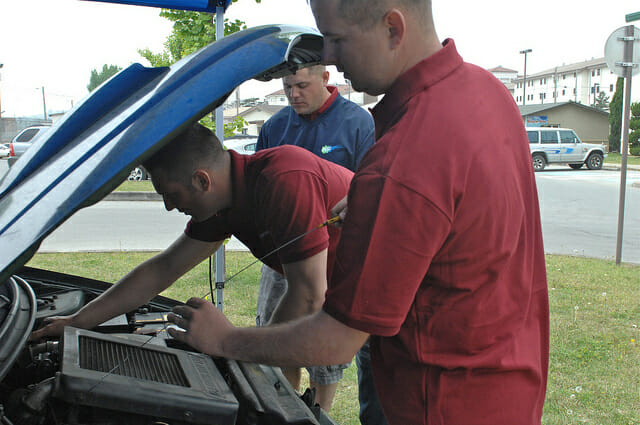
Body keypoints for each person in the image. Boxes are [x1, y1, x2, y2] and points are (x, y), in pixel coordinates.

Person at [166, 1, 550, 424]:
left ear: (392, 28)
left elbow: (336, 340)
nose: (328, 56)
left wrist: (226, 340)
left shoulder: (405, 160)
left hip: (443, 403)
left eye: (336, 39)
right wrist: (384, 203)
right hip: (511, 383)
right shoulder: (485, 90)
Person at [30, 123, 353, 388]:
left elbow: (309, 295)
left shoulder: (284, 179)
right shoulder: (220, 204)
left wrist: (233, 344)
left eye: (171, 194)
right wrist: (76, 321)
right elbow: (164, 268)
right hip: (357, 295)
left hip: (392, 296)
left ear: (202, 180)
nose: (170, 206)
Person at [256, 64, 379, 416]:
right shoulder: (274, 126)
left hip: (334, 258)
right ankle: (284, 408)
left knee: (324, 349)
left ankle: (319, 413)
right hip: (281, 257)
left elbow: (367, 189)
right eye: (287, 86)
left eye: (302, 85)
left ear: (325, 78)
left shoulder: (358, 123)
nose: (294, 94)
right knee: (278, 335)